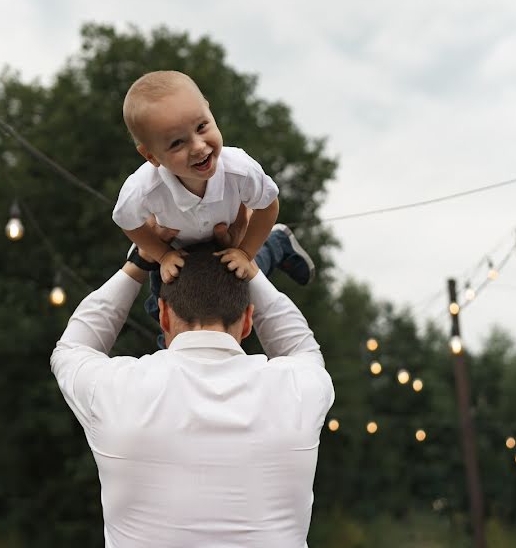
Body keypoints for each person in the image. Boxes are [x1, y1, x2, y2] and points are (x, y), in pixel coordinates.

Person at [50, 231, 334, 547]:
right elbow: (303, 348)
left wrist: (137, 264)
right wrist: (251, 272)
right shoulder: (297, 389)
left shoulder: (117, 389)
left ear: (164, 316)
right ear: (249, 319)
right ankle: (271, 247)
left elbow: (71, 348)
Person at [113, 70, 313, 345]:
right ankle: (276, 244)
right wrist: (161, 255)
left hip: (229, 238)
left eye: (202, 127)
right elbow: (126, 221)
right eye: (176, 143)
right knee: (161, 311)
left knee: (239, 274)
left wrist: (244, 252)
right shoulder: (143, 188)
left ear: (208, 109)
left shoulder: (239, 169)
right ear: (151, 156)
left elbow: (268, 206)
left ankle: (275, 245)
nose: (198, 146)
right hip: (178, 251)